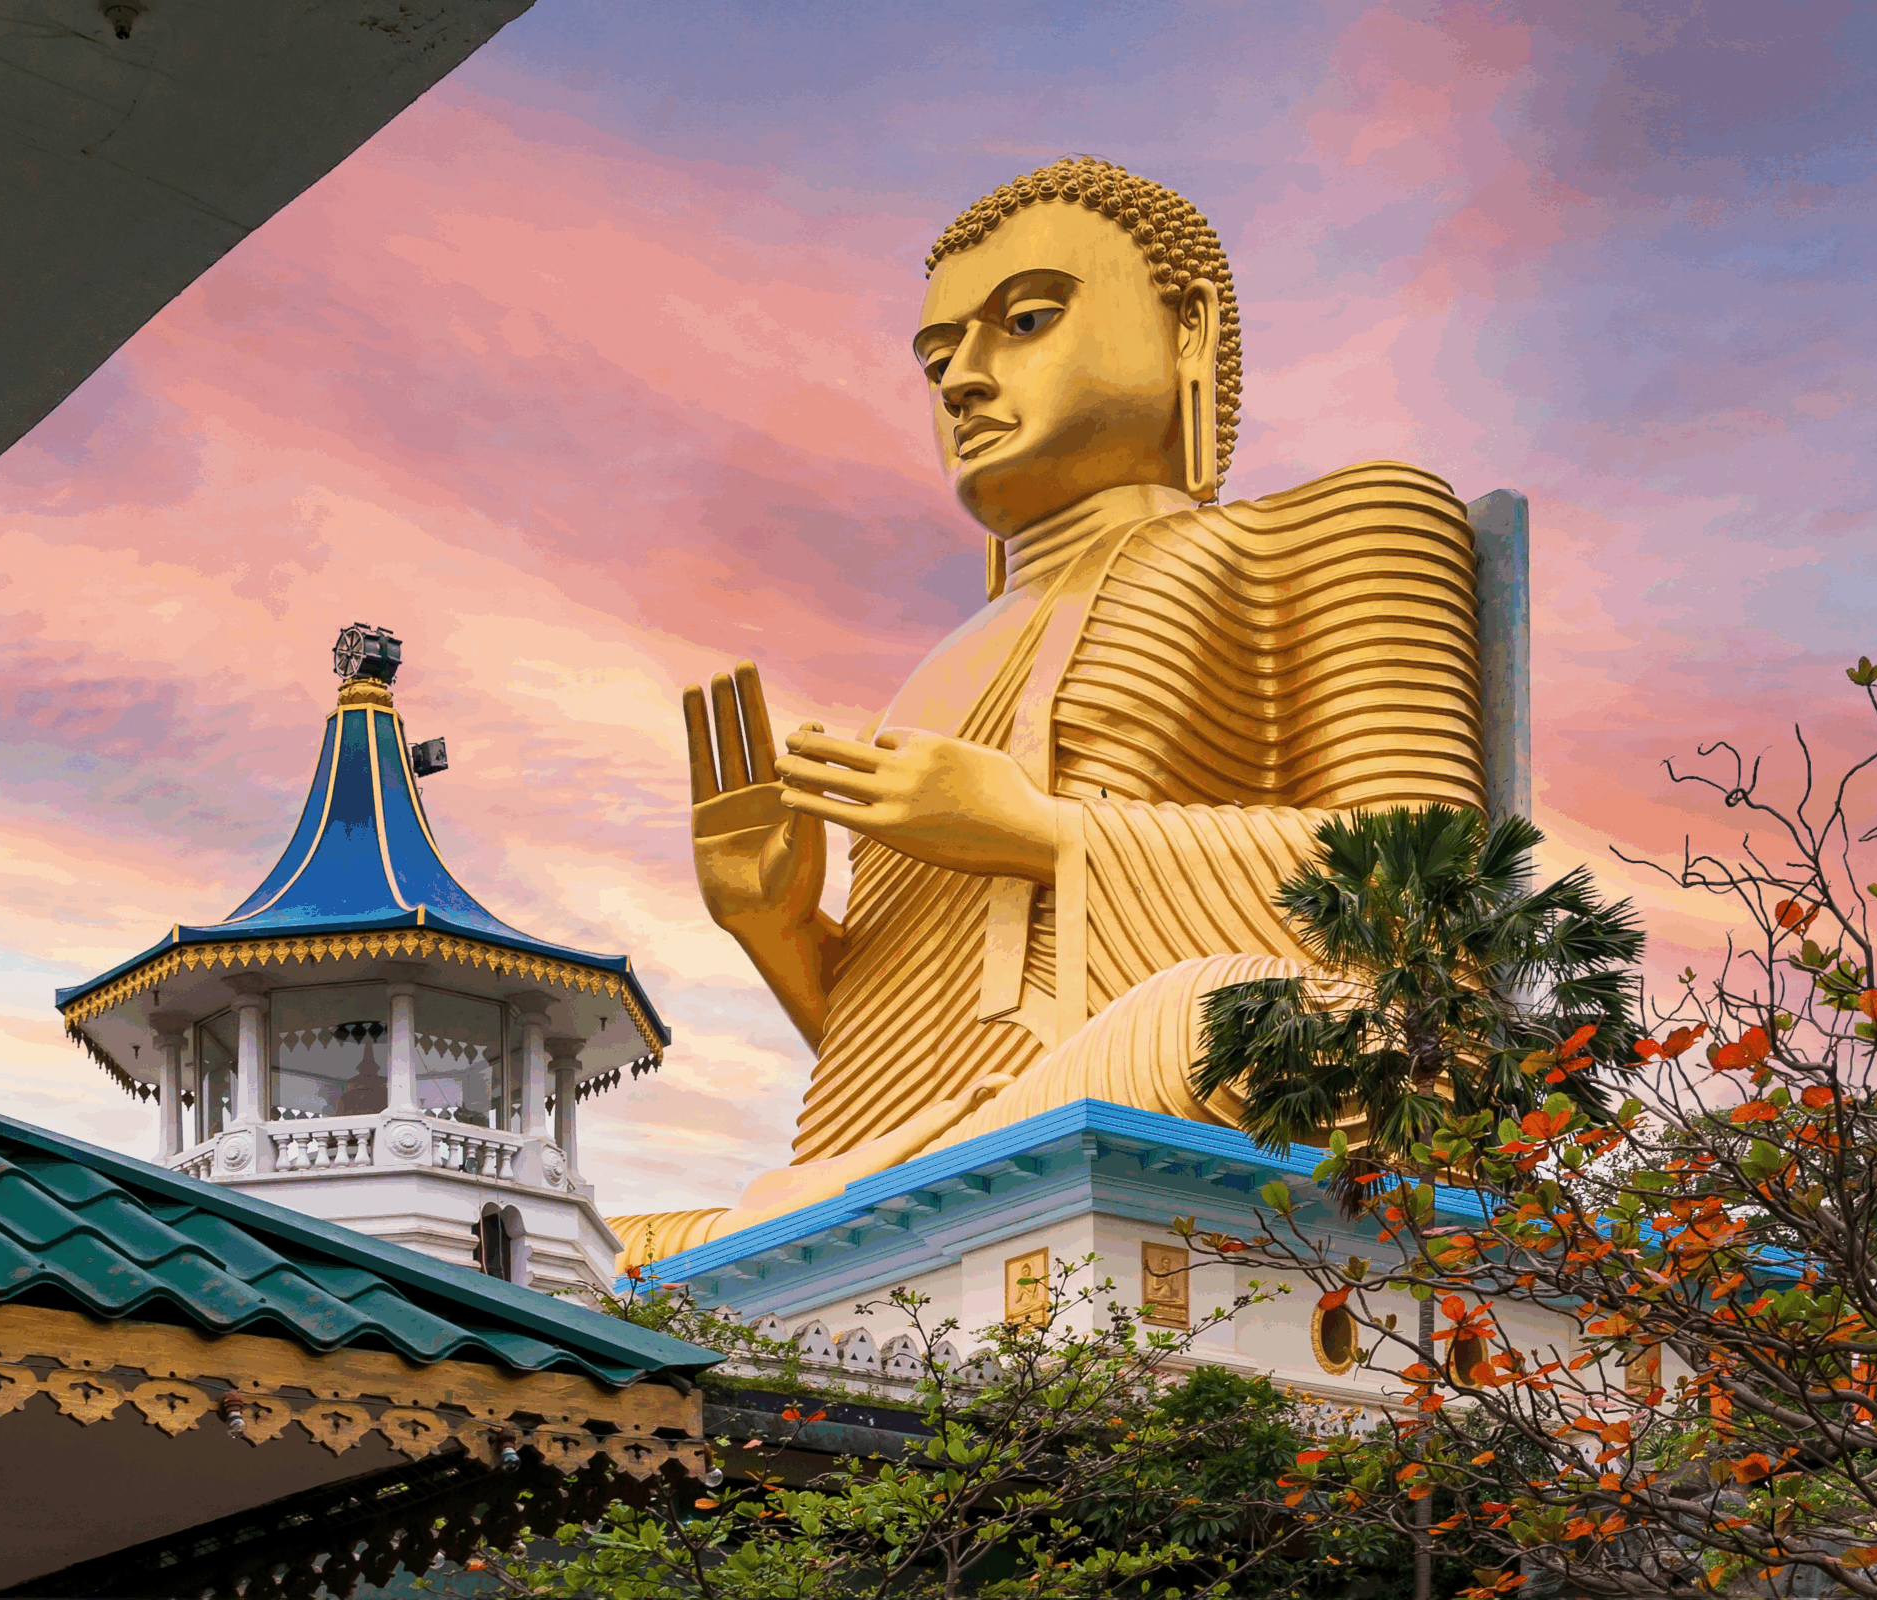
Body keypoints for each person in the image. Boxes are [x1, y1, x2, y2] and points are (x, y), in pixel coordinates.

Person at [616, 157, 1485, 1264]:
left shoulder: (1337, 526)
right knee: (597, 1247)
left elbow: (1435, 899)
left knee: (1212, 1023)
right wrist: (778, 927)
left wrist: (1044, 831)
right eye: (937, 358)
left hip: (1214, 1060)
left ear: (1186, 327)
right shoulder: (933, 673)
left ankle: (844, 1228)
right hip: (975, 1129)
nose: (962, 381)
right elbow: (913, 1053)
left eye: (1023, 320)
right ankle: (845, 1223)